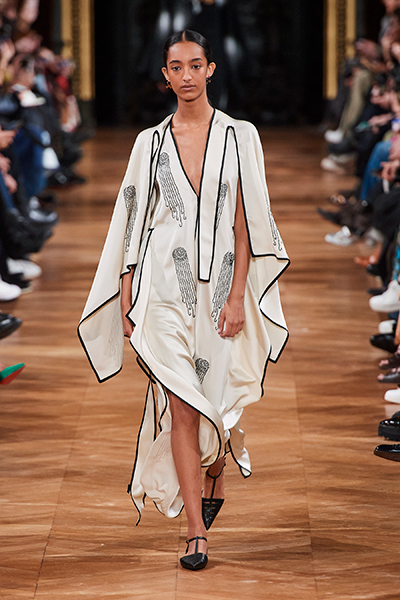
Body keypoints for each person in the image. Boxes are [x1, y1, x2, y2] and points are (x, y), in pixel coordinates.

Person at [78, 30, 289, 571]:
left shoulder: (241, 137)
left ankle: (217, 466)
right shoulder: (148, 144)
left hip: (221, 290)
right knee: (182, 405)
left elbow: (247, 223)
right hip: (163, 291)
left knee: (216, 399)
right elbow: (133, 220)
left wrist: (238, 296)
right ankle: (196, 531)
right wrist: (127, 292)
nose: (187, 75)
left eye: (196, 65)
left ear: (210, 69)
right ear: (165, 76)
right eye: (177, 67)